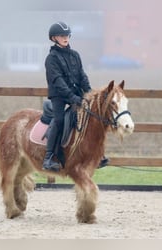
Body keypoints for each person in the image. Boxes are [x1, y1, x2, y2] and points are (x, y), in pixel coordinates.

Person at [42, 21, 108, 172]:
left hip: (76, 92)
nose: (65, 38)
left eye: (67, 35)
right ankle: (49, 157)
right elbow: (58, 81)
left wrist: (90, 94)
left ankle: (97, 154)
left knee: (92, 117)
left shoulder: (75, 55)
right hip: (59, 95)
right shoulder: (51, 58)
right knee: (59, 121)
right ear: (54, 38)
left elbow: (82, 76)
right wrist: (73, 98)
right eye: (61, 35)